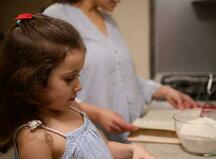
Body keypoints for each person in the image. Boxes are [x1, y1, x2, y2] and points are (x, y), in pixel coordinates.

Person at [0, 13, 160, 159]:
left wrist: (131, 151)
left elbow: (97, 151)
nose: (79, 86)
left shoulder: (73, 107)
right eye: (69, 78)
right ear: (33, 81)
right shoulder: (36, 139)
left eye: (79, 75)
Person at [43, 0, 198, 143]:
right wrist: (97, 113)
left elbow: (121, 77)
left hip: (128, 136)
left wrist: (164, 91)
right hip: (89, 137)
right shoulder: (56, 15)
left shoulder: (109, 21)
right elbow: (48, 86)